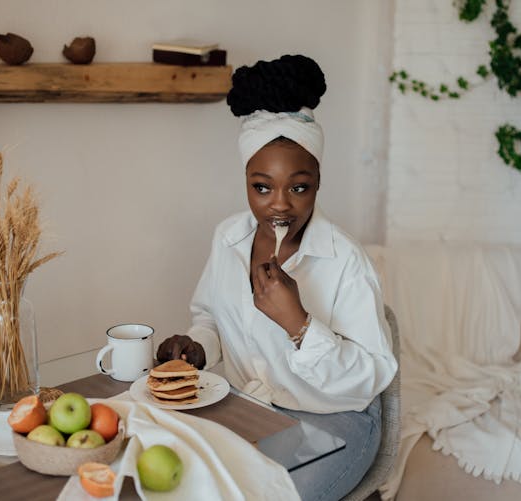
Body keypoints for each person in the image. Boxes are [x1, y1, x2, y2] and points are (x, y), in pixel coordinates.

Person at [157, 54, 398, 501]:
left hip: (335, 419)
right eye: (262, 187)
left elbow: (371, 376)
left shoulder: (345, 260)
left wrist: (300, 326)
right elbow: (208, 316)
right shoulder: (228, 238)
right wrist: (197, 349)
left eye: (299, 186)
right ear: (246, 181)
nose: (280, 205)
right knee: (175, 478)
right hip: (250, 406)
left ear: (319, 180)